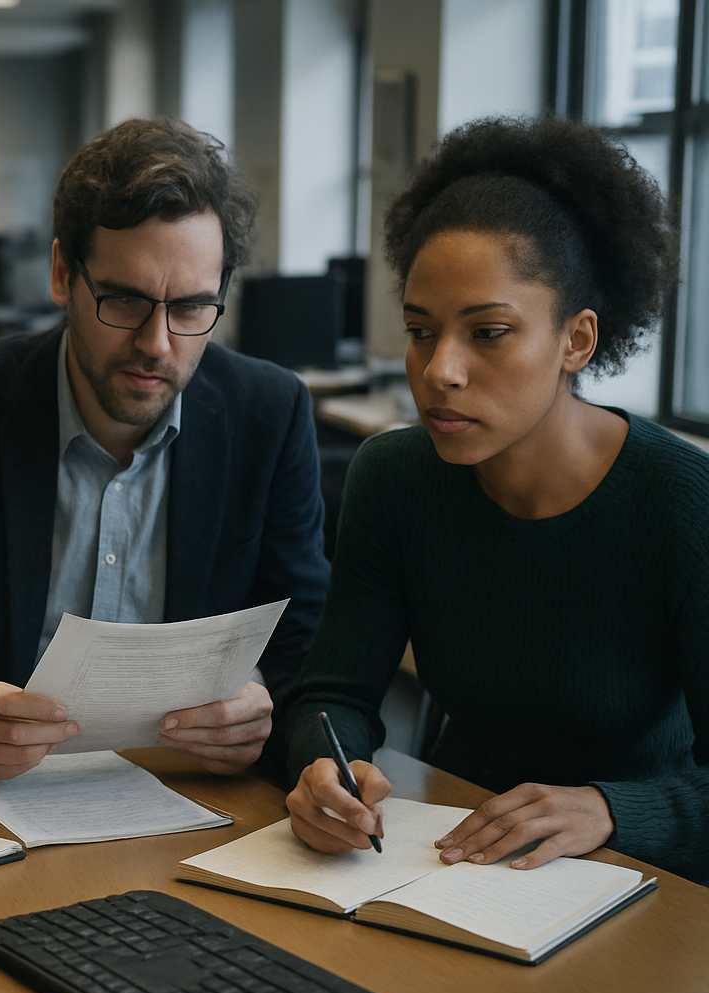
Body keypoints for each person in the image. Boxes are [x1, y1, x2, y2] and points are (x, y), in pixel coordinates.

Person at [0, 117, 331, 781]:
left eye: (190, 308)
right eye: (125, 302)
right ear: (62, 273)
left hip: (193, 801)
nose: (157, 343)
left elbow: (311, 649)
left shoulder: (269, 415)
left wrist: (265, 709)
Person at [281, 116, 708, 884]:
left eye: (489, 332)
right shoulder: (394, 477)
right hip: (445, 851)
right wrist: (324, 765)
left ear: (576, 341)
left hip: (638, 877)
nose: (440, 370)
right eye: (420, 330)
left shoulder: (682, 503)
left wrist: (609, 808)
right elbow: (336, 692)